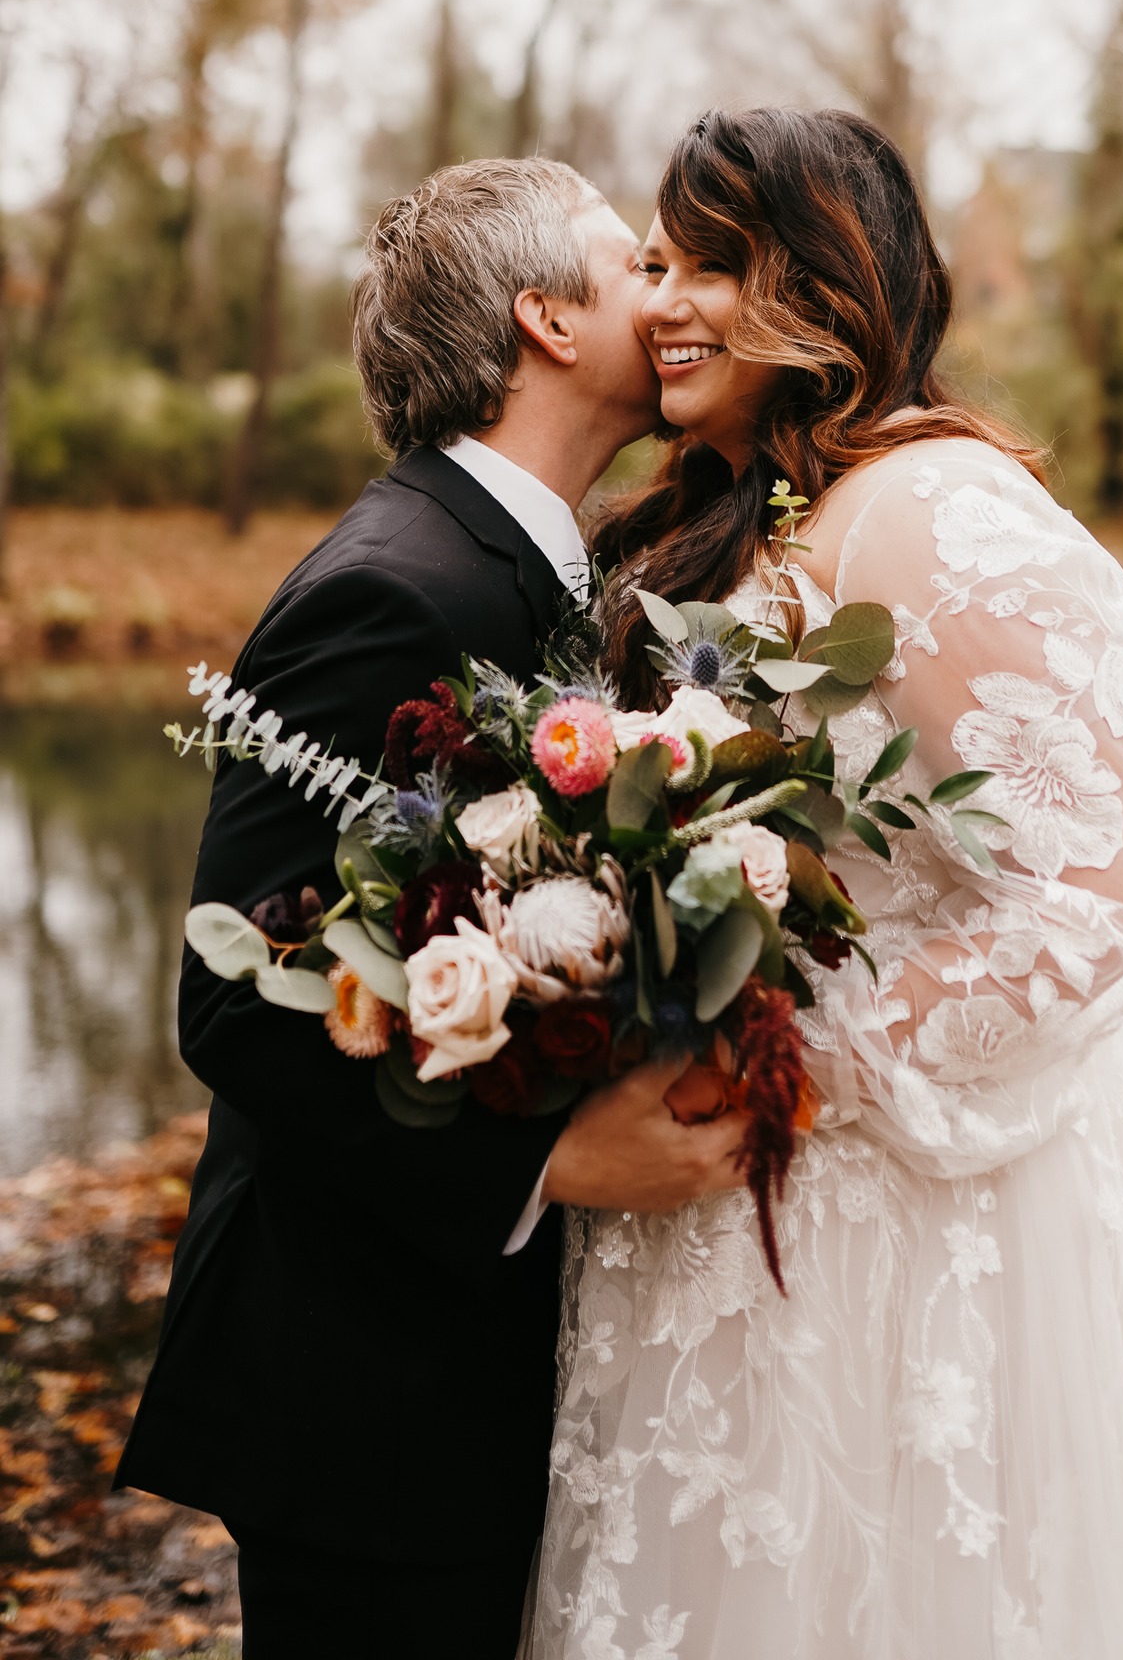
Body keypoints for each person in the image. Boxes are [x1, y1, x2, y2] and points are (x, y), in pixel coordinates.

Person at [525, 110, 1123, 1659]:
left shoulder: (935, 509)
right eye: (656, 258)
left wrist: (795, 1067)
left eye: (714, 260)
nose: (663, 299)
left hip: (917, 1210)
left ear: (823, 284)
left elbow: (1106, 894)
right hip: (727, 1209)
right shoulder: (748, 517)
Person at [116, 158, 748, 1660]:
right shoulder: (397, 586)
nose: (661, 299)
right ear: (545, 318)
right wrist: (545, 1160)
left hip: (445, 1365)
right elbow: (237, 995)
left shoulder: (537, 570)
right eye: (628, 266)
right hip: (359, 1393)